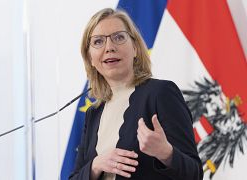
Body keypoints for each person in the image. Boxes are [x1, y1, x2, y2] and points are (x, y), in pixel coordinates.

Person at [69, 8, 203, 180]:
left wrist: (166, 153)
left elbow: (195, 174)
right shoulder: (93, 113)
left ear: (135, 48)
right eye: (98, 41)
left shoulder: (161, 94)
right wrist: (96, 165)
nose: (109, 47)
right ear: (90, 58)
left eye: (118, 37)